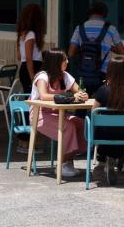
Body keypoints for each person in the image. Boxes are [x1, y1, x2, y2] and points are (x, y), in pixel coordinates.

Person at [30, 48, 88, 177]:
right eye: (64, 59)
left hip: (57, 113)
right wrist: (70, 97)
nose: (67, 61)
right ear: (55, 62)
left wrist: (82, 94)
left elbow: (78, 90)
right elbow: (44, 96)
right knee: (68, 126)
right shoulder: (42, 76)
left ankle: (68, 162)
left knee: (80, 123)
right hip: (39, 115)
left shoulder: (65, 75)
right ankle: (61, 165)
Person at [92, 56, 124, 185]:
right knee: (123, 128)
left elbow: (94, 111)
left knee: (101, 126)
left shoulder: (102, 90)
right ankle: (112, 160)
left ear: (110, 71)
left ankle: (102, 160)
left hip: (102, 134)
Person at [68, 1, 124, 97]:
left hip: (85, 72)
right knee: (102, 102)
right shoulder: (111, 29)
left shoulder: (79, 28)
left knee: (82, 100)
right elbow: (122, 51)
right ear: (104, 14)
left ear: (89, 13)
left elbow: (70, 53)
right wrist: (108, 46)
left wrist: (84, 47)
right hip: (104, 73)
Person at [17, 4, 46, 93]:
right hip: (32, 67)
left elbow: (19, 56)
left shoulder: (22, 34)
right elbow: (29, 57)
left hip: (24, 67)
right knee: (33, 95)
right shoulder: (31, 35)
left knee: (28, 94)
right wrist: (32, 76)